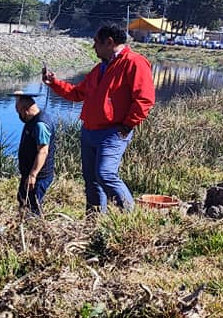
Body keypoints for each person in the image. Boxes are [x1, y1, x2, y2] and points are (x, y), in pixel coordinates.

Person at [42, 24, 155, 213]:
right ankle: (94, 224)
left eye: (96, 43)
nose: (94, 47)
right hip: (89, 131)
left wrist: (127, 126)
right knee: (92, 180)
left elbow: (145, 99)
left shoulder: (134, 63)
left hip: (113, 132)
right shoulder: (99, 68)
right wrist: (54, 83)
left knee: (105, 174)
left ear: (109, 42)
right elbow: (77, 93)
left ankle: (130, 218)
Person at [12, 92, 56, 216]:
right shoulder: (32, 119)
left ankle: (36, 230)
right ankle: (22, 225)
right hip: (29, 173)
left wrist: (33, 175)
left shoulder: (40, 125)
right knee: (22, 197)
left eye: (19, 112)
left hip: (38, 176)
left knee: (33, 205)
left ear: (25, 111)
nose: (19, 116)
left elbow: (43, 151)